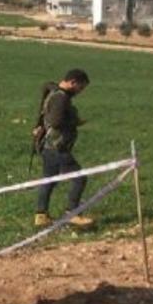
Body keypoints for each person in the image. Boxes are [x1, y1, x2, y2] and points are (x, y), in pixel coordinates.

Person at [33, 69, 94, 228]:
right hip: (57, 148)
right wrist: (75, 122)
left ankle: (41, 215)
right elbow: (56, 122)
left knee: (49, 180)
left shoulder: (55, 93)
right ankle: (72, 213)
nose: (80, 92)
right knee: (80, 178)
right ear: (73, 82)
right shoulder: (61, 98)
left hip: (48, 147)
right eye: (80, 88)